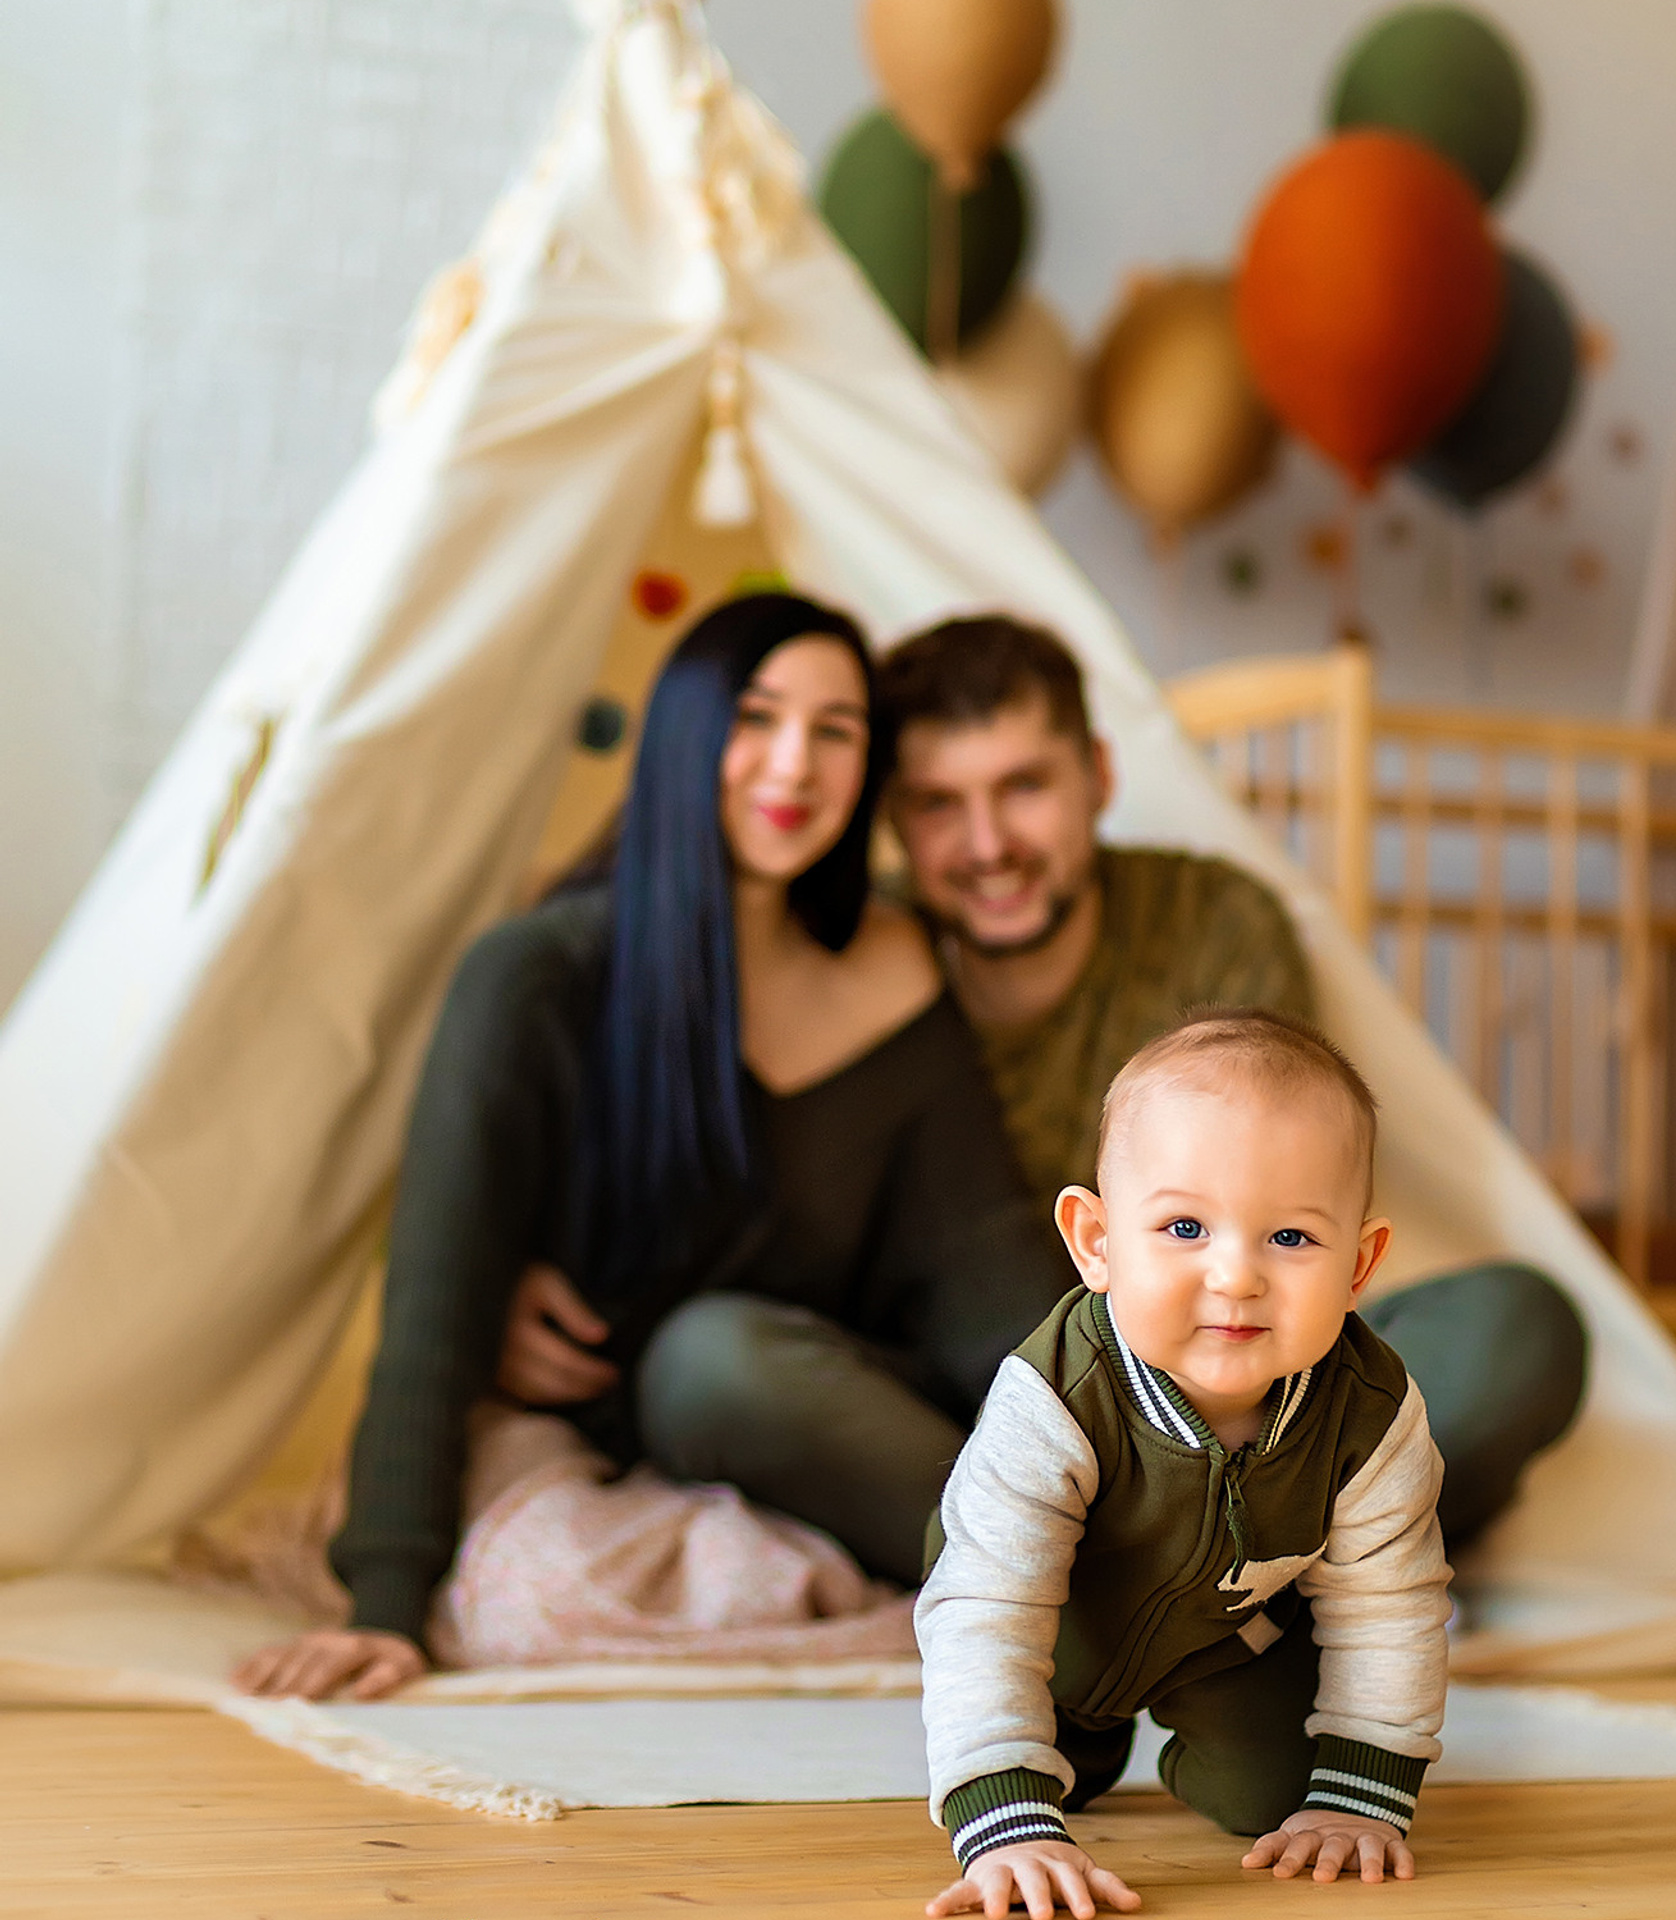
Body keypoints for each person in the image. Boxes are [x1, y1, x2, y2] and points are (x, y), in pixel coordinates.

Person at [234, 593, 1067, 1702]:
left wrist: (1139, 1446)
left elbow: (988, 1284)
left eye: (836, 731)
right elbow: (432, 1313)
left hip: (840, 1420)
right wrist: (384, 1603)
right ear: (682, 732)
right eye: (755, 718)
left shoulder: (897, 966)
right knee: (692, 1379)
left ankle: (1090, 1576)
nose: (794, 765)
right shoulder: (536, 977)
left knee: (729, 1362)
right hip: (630, 1437)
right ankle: (1076, 1600)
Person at [874, 615, 1587, 1554]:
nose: (988, 843)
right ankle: (1193, 1568)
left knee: (1520, 1327)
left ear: (1098, 776)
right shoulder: (869, 958)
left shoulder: (1216, 922)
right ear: (891, 820)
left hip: (1240, 1400)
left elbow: (1274, 1233)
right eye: (937, 804)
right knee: (722, 1364)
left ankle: (1167, 1566)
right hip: (985, 1414)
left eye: (1024, 787)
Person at [919, 1012, 1449, 1919]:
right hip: (1058, 1627)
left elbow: (1388, 1606)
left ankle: (1194, 1745)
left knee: (1278, 1798)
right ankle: (1072, 1739)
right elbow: (988, 1608)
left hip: (1224, 1640)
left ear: (1360, 1265)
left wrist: (1362, 1800)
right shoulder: (1054, 1397)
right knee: (1040, 1764)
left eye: (1291, 1239)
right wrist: (1007, 1822)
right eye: (1185, 1226)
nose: (1236, 1276)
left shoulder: (1371, 1414)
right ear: (1096, 1242)